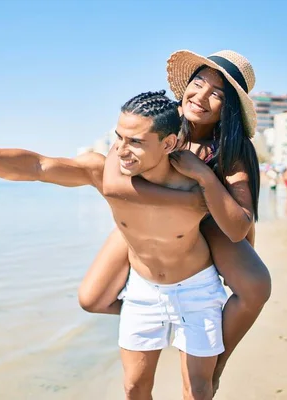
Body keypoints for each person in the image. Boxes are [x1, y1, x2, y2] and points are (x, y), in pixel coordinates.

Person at [0, 91, 229, 400]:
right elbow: (36, 166)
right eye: (119, 138)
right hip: (143, 290)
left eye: (136, 142)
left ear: (169, 142)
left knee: (198, 391)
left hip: (195, 290)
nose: (122, 150)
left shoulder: (194, 183)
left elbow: (237, 224)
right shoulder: (103, 171)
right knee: (133, 389)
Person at [77, 50, 271, 394]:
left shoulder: (230, 148)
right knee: (92, 299)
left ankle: (214, 358)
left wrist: (203, 176)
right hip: (144, 219)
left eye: (217, 95)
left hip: (205, 224)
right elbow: (115, 184)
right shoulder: (159, 121)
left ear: (228, 109)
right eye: (198, 84)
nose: (202, 97)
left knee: (256, 286)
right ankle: (166, 318)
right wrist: (188, 200)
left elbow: (239, 226)